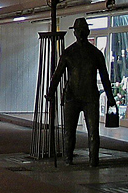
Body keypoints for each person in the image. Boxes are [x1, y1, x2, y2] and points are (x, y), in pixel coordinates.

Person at [46, 18, 116, 166]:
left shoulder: (95, 54)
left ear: (87, 32)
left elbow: (104, 77)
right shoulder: (69, 53)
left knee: (93, 132)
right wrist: (51, 92)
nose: (81, 33)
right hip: (72, 96)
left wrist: (110, 97)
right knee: (69, 131)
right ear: (75, 33)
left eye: (83, 30)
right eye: (79, 30)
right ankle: (68, 158)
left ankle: (92, 160)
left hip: (89, 97)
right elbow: (57, 74)